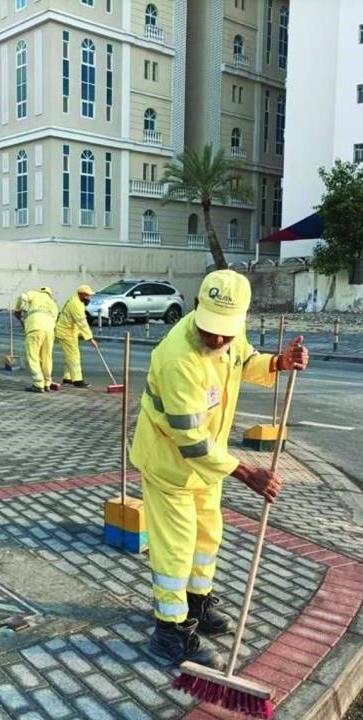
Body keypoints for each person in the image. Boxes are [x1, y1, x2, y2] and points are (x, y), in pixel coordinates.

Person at [129, 269, 309, 666]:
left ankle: (196, 604)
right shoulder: (178, 359)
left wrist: (279, 362)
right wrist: (247, 474)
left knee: (208, 536)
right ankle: (169, 629)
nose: (217, 341)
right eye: (210, 331)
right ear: (197, 307)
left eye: (225, 333)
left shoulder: (230, 332)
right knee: (175, 548)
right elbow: (190, 440)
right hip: (170, 465)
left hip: (209, 464)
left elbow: (245, 359)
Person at [13, 286, 60, 393]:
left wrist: (18, 309)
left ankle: (38, 384)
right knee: (47, 357)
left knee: (33, 356)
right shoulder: (53, 304)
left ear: (41, 291)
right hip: (49, 331)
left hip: (35, 328)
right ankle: (47, 383)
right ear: (50, 294)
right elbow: (55, 320)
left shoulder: (35, 294)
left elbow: (22, 297)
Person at [55, 284, 99, 388]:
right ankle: (77, 380)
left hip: (68, 331)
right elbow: (82, 323)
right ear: (81, 294)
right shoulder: (76, 305)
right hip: (66, 333)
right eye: (87, 295)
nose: (89, 298)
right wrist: (90, 338)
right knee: (74, 356)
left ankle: (68, 378)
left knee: (69, 356)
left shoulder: (76, 301)